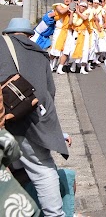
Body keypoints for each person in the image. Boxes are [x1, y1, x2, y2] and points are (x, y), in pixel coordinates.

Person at [0, 18, 70, 217]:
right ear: (30, 35)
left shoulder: (2, 45)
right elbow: (50, 93)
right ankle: (54, 214)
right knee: (42, 169)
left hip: (5, 121)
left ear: (9, 34)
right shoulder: (40, 55)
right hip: (33, 123)